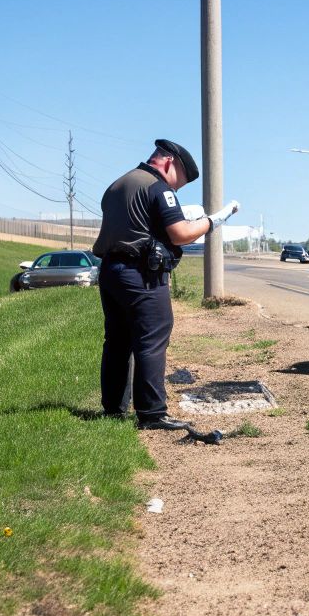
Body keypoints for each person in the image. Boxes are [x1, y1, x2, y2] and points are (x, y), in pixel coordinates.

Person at [92, 139, 239, 430]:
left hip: (110, 270)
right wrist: (213, 221)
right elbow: (180, 233)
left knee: (117, 342)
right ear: (169, 163)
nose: (176, 189)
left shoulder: (117, 185)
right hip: (141, 275)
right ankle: (152, 413)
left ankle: (114, 409)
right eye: (179, 182)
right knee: (151, 339)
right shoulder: (158, 188)